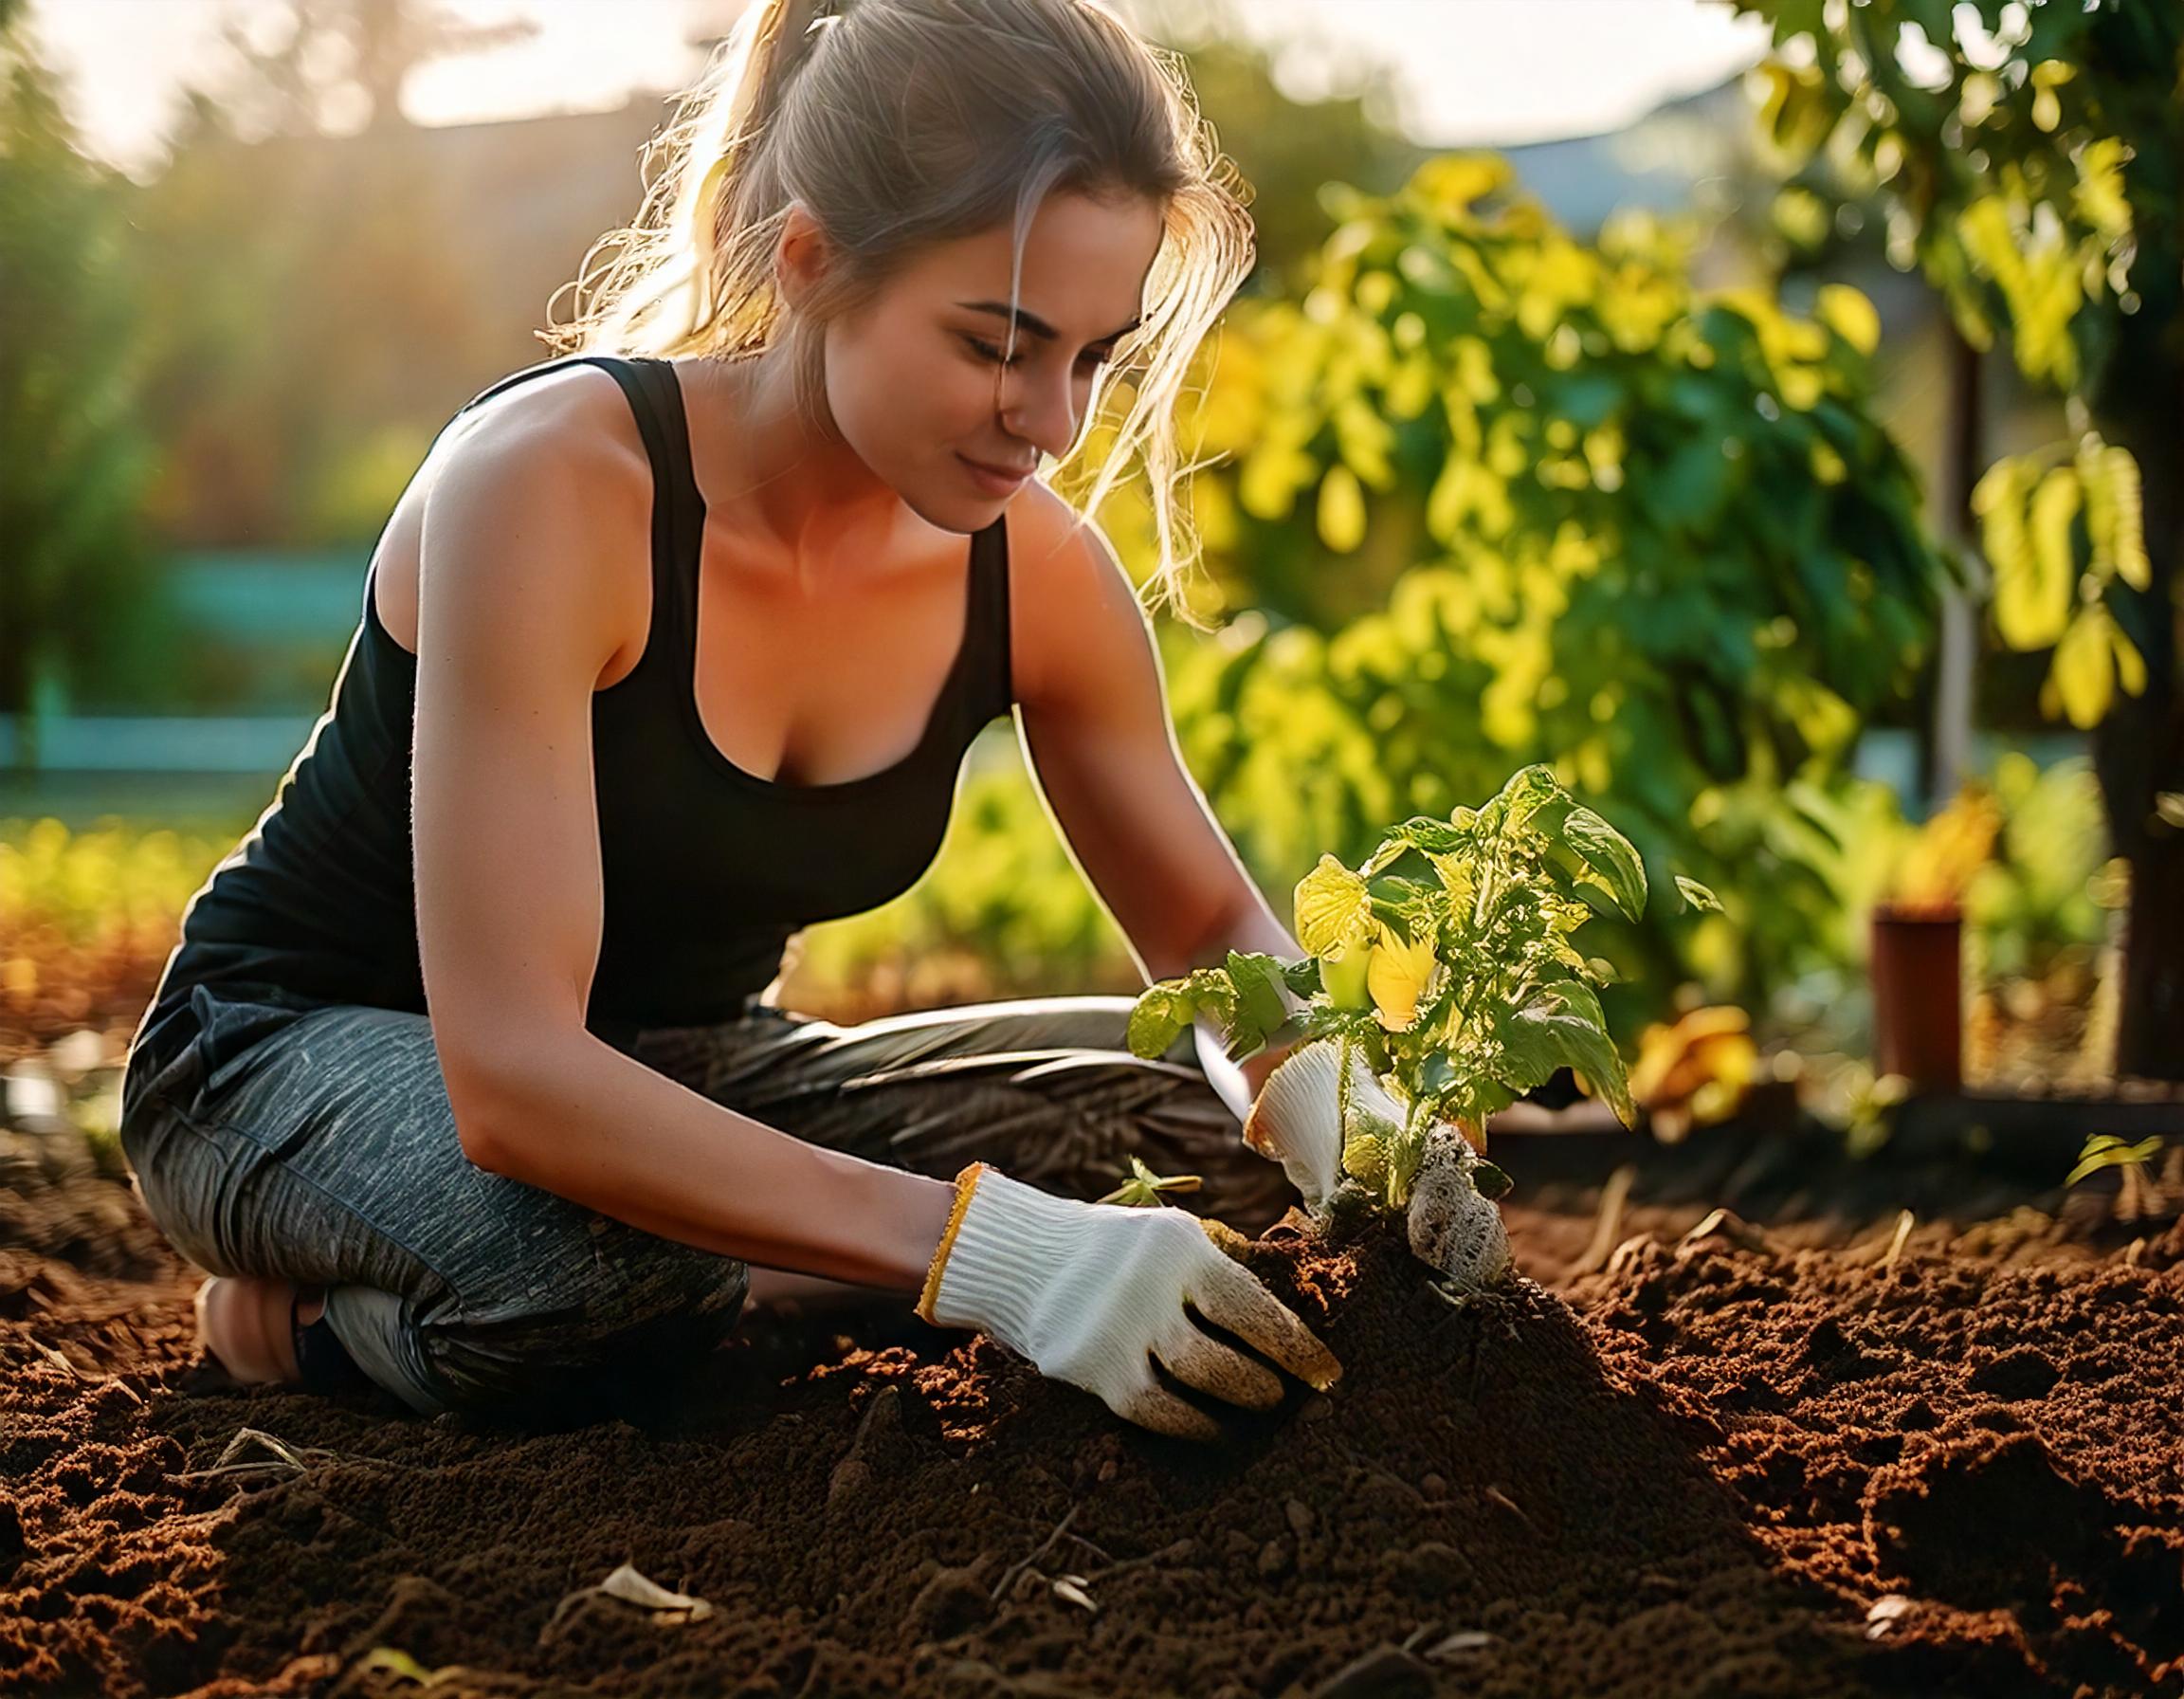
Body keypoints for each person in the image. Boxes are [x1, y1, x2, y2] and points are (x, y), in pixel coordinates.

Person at [118, 0, 1344, 1441]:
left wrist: (1354, 1119)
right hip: (296, 1050)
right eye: (998, 343)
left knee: (1196, 1133)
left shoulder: (1038, 576)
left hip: (687, 1068)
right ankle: (303, 1320)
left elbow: (1210, 939)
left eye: (1091, 357)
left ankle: (745, 1260)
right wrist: (1002, 1255)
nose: (1053, 421)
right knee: (608, 1277)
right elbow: (512, 1075)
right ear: (812, 262)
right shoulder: (554, 484)